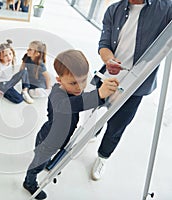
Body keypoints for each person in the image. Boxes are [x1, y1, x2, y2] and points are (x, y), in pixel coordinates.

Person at [90, 0, 172, 181]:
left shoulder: (166, 8)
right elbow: (103, 44)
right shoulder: (113, 10)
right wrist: (109, 59)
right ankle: (93, 132)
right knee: (95, 110)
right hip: (108, 77)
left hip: (135, 86)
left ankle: (103, 156)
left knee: (117, 126)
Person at [23, 50, 119, 199]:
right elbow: (75, 104)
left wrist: (103, 84)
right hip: (48, 140)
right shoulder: (57, 97)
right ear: (59, 80)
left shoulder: (73, 90)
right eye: (73, 83)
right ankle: (29, 182)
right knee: (38, 164)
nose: (79, 87)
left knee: (54, 156)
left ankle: (51, 163)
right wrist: (99, 94)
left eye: (83, 80)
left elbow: (84, 95)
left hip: (62, 138)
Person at [0, 39, 34, 104]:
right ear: (0, 56)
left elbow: (20, 69)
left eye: (10, 54)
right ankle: (3, 92)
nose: (9, 57)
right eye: (5, 55)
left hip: (10, 80)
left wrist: (22, 78)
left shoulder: (11, 60)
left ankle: (24, 91)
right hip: (4, 85)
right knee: (19, 100)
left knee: (24, 71)